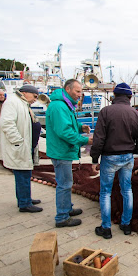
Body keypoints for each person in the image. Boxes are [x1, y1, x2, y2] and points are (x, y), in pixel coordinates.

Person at [91, 82, 138, 239]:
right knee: (127, 190)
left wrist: (95, 159)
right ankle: (126, 225)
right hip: (127, 157)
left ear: (114, 96)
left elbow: (98, 139)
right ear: (130, 97)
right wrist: (132, 151)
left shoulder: (106, 112)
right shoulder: (136, 115)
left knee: (105, 192)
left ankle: (106, 228)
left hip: (109, 157)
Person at [46, 79, 91, 228]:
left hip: (62, 150)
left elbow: (68, 124)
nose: (80, 95)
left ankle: (67, 208)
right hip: (61, 152)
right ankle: (62, 217)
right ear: (68, 89)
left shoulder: (64, 104)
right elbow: (64, 131)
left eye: (81, 91)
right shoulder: (59, 106)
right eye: (77, 91)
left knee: (65, 182)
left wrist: (80, 127)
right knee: (64, 184)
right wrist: (85, 141)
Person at [0, 85, 43, 213]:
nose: (35, 100)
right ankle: (24, 203)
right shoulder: (12, 102)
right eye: (34, 96)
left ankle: (25, 198)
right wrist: (18, 141)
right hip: (20, 145)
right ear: (25, 93)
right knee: (22, 173)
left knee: (25, 173)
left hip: (26, 145)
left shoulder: (22, 103)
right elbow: (7, 123)